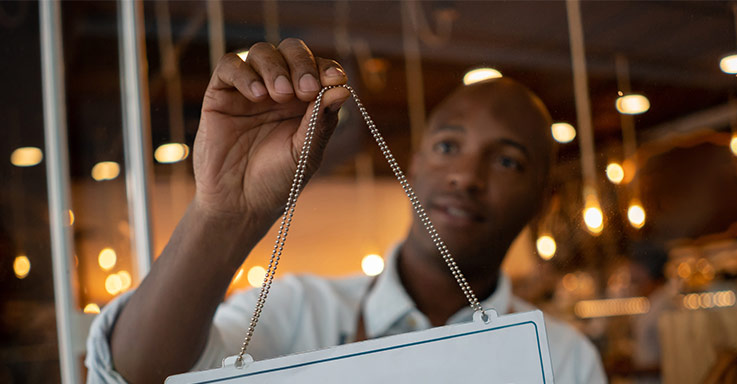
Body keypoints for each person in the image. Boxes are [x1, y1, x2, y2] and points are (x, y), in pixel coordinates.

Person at [86, 39, 606, 383]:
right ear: (416, 162)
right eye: (449, 147)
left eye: (509, 161)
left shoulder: (562, 360)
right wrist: (223, 214)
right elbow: (140, 373)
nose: (466, 176)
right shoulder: (294, 312)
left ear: (541, 198)